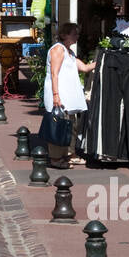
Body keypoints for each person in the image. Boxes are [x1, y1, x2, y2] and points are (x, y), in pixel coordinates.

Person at [45, 22, 94, 163]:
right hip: (60, 96)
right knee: (59, 126)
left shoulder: (69, 52)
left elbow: (84, 68)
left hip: (69, 97)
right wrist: (55, 95)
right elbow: (54, 73)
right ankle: (55, 158)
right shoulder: (58, 50)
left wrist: (102, 59)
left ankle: (69, 154)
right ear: (64, 35)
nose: (77, 36)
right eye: (74, 34)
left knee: (71, 125)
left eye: (77, 33)